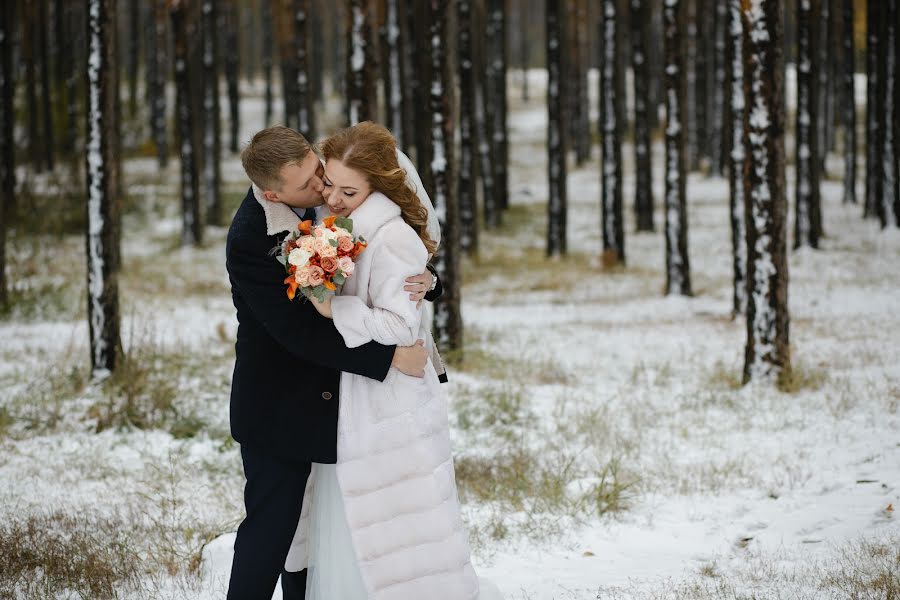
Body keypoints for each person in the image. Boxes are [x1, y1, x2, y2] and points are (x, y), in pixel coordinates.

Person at [225, 126, 441, 600]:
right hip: (277, 404)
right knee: (277, 527)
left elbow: (385, 251)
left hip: (337, 401)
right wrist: (388, 358)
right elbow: (297, 332)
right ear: (272, 193)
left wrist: (429, 280)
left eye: (318, 171)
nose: (323, 189)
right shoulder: (249, 240)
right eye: (309, 185)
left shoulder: (328, 191)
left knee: (323, 526)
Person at [289, 122, 502, 600]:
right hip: (353, 393)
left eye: (349, 190)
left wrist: (332, 307)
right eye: (330, 185)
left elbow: (397, 329)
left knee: (400, 528)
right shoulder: (330, 225)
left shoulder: (391, 238)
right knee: (358, 522)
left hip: (390, 401)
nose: (335, 199)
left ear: (378, 186)